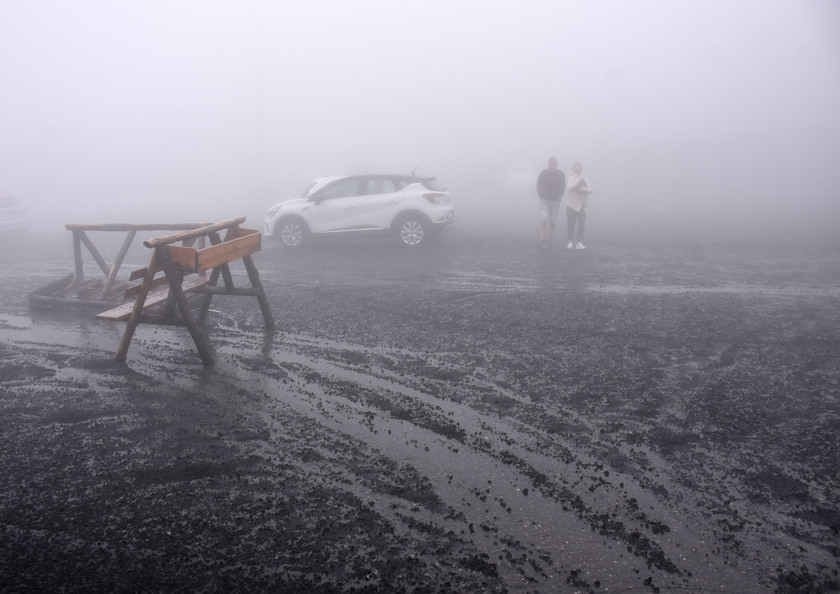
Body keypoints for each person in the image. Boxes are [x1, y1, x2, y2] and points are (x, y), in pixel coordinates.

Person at [535, 157, 566, 250]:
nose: (553, 164)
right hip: (544, 200)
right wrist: (540, 196)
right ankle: (543, 240)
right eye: (551, 163)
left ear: (557, 164)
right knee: (544, 220)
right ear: (548, 164)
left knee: (552, 222)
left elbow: (563, 186)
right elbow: (538, 185)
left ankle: (549, 240)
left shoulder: (560, 174)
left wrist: (560, 196)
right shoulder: (543, 173)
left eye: (554, 163)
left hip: (555, 201)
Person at [565, 161, 591, 249]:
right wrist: (578, 181)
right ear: (573, 169)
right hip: (571, 204)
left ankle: (579, 242)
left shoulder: (585, 179)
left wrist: (581, 189)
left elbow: (590, 189)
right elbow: (569, 188)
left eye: (579, 168)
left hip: (582, 205)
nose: (578, 169)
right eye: (576, 168)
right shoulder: (570, 178)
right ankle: (570, 241)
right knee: (570, 223)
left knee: (581, 224)